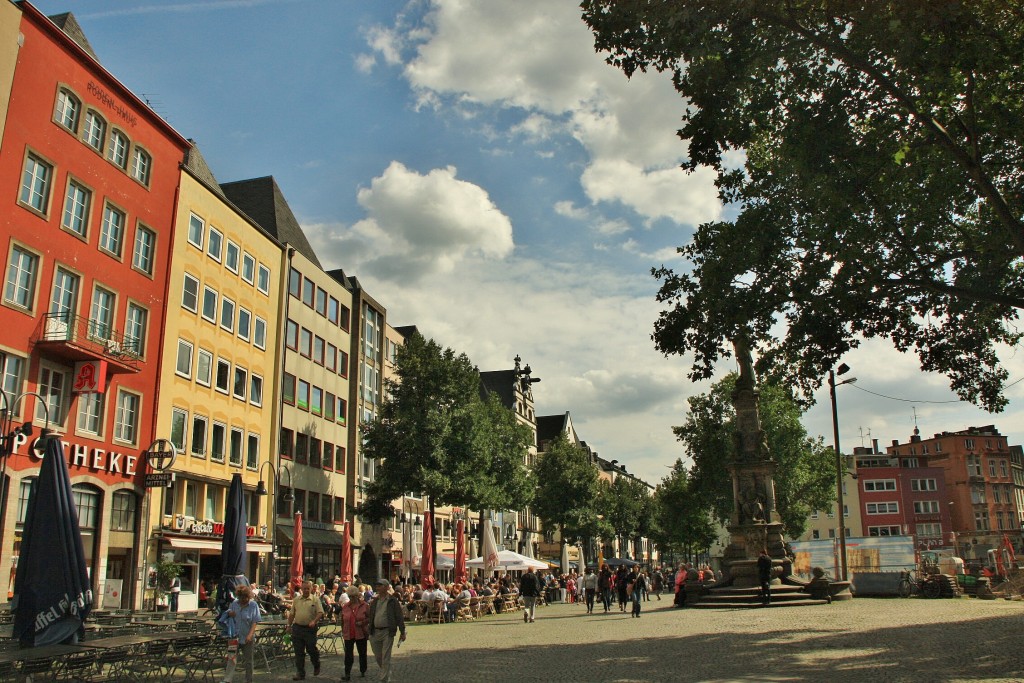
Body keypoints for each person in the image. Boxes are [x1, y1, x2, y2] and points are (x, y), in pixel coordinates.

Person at [368, 579, 406, 683]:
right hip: (375, 631)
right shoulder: (375, 601)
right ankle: (386, 670)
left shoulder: (392, 601)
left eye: (380, 586)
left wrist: (402, 631)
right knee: (378, 656)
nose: (377, 588)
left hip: (387, 631)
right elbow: (371, 615)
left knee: (385, 656)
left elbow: (399, 616)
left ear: (386, 587)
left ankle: (383, 679)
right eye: (377, 586)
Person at [224, 583, 261, 683]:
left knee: (248, 660)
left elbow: (255, 622)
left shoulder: (253, 605)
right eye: (240, 597)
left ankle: (248, 680)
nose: (243, 599)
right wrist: (229, 613)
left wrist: (250, 635)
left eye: (245, 597)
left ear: (248, 596)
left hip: (247, 636)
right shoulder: (234, 603)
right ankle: (227, 679)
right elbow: (227, 614)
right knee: (231, 658)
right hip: (234, 636)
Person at [287, 580, 324, 680]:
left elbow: (320, 613)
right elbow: (291, 614)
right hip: (298, 628)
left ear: (311, 589)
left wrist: (314, 621)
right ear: (301, 589)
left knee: (311, 649)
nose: (306, 590)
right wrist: (288, 625)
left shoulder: (315, 600)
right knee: (299, 652)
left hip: (310, 629)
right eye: (304, 588)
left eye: (308, 588)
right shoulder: (296, 600)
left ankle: (316, 664)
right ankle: (300, 673)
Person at [340, 585, 369, 681]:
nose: (352, 598)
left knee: (362, 653)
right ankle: (347, 673)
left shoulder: (364, 605)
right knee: (348, 654)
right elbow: (342, 619)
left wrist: (363, 622)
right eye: (350, 596)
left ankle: (363, 670)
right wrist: (343, 630)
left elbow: (370, 618)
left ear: (358, 595)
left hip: (361, 633)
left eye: (353, 596)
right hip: (348, 633)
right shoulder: (345, 606)